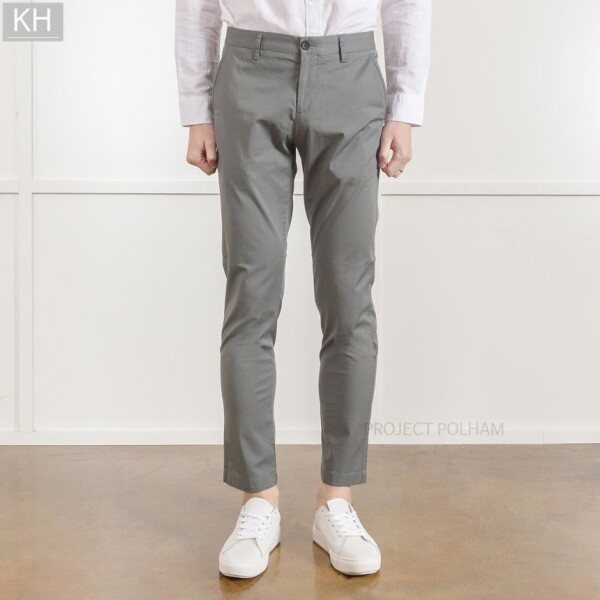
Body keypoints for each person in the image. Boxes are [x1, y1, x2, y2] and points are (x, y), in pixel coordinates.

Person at [175, 0, 431, 578]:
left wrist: (405, 107)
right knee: (251, 293)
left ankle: (336, 500)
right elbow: (196, 6)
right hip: (249, 70)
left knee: (348, 296)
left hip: (351, 72)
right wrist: (196, 108)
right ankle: (257, 500)